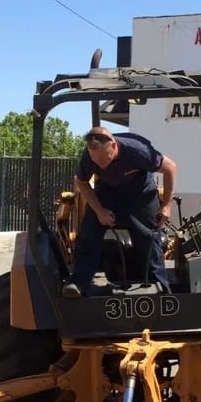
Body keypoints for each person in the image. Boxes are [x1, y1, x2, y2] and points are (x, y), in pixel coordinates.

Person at [62, 126, 176, 298]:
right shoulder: (90, 157)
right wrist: (100, 211)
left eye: (103, 158)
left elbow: (170, 167)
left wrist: (166, 204)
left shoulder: (137, 150)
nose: (99, 163)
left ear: (114, 146)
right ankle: (79, 284)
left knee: (149, 235)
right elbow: (82, 182)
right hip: (108, 191)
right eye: (95, 159)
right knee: (89, 231)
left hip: (139, 192)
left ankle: (159, 285)